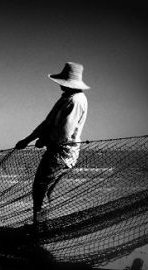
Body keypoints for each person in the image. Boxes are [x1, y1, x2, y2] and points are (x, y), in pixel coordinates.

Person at [15, 62, 89, 233]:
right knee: (45, 190)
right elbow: (47, 123)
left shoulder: (76, 100)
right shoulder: (67, 98)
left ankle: (39, 227)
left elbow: (65, 132)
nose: (60, 84)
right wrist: (27, 140)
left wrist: (45, 140)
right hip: (60, 152)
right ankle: (41, 225)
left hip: (61, 154)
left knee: (40, 189)